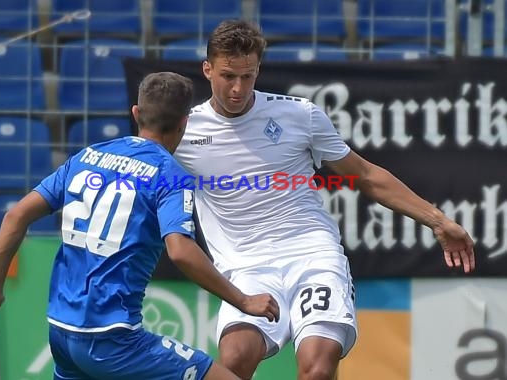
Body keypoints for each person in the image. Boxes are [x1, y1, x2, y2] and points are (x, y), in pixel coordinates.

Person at [173, 20, 476, 380]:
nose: (238, 88)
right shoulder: (184, 131)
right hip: (244, 267)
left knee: (316, 370)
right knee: (235, 360)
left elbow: (364, 175)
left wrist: (438, 221)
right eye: (227, 76)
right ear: (207, 69)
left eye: (248, 76)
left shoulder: (299, 115)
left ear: (258, 70)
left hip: (311, 253)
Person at [0, 72, 280, 380]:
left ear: (136, 113)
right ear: (185, 122)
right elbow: (181, 250)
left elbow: (15, 216)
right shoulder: (170, 176)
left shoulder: (87, 156)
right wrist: (243, 300)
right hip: (115, 339)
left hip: (61, 332)